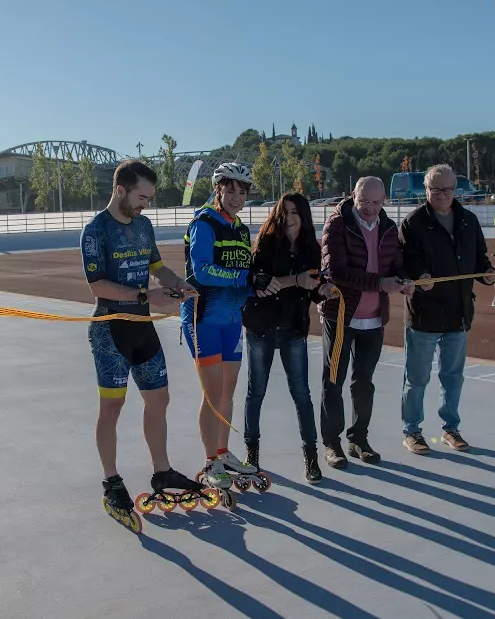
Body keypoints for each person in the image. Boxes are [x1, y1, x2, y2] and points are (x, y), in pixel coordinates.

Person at [80, 159, 203, 518]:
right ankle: (112, 480)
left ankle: (162, 471)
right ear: (120, 190)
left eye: (149, 198)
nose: (145, 204)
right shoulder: (95, 231)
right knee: (112, 408)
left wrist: (176, 283)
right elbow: (97, 285)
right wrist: (147, 297)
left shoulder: (144, 226)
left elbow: (156, 268)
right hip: (109, 328)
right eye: (142, 197)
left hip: (142, 326)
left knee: (159, 400)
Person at [399, 164, 495, 455]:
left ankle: (450, 429)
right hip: (424, 314)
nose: (442, 195)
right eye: (435, 190)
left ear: (456, 190)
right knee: (416, 379)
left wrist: (487, 273)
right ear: (425, 190)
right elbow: (404, 261)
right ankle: (412, 431)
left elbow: (479, 258)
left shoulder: (468, 220)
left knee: (453, 377)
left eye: (448, 190)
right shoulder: (413, 222)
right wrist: (420, 275)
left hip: (458, 313)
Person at [318, 176, 412, 470]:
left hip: (374, 320)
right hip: (340, 316)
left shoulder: (388, 227)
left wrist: (406, 278)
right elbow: (336, 271)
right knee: (333, 381)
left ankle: (358, 438)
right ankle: (332, 444)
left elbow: (397, 262)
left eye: (376, 202)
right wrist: (381, 283)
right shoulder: (337, 224)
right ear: (353, 196)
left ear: (384, 200)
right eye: (364, 202)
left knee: (364, 383)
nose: (370, 208)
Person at [241, 193, 333, 484]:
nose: (290, 217)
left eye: (296, 212)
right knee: (256, 392)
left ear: (304, 216)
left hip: (294, 329)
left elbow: (312, 289)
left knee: (302, 394)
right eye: (285, 211)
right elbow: (261, 284)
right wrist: (298, 279)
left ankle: (311, 457)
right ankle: (251, 457)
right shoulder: (266, 245)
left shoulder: (311, 249)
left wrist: (322, 289)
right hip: (261, 328)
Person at [181, 163, 260, 491]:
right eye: (230, 191)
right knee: (212, 393)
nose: (237, 197)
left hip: (231, 321)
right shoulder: (205, 222)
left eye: (242, 192)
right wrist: (245, 278)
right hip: (203, 319)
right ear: (218, 190)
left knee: (228, 390)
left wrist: (258, 282)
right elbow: (202, 271)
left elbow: (245, 275)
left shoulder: (241, 229)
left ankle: (223, 451)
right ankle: (210, 459)